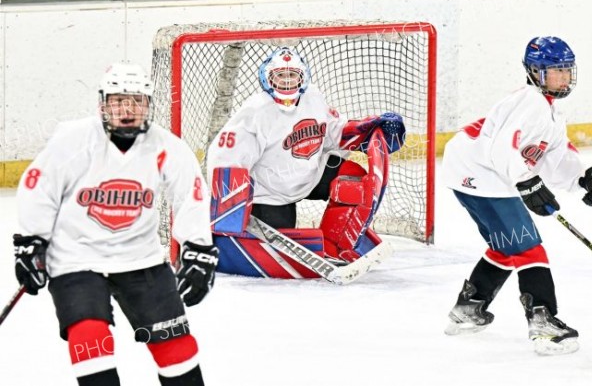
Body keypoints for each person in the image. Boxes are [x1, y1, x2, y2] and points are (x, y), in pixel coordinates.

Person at [13, 63, 218, 386]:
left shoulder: (166, 147)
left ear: (149, 106)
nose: (127, 108)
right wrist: (30, 241)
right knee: (91, 340)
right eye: (118, 100)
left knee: (176, 348)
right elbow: (37, 188)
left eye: (137, 100)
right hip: (75, 258)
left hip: (140, 258)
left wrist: (197, 249)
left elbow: (190, 196)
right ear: (103, 104)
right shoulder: (75, 141)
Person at [441, 37, 592, 355]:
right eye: (556, 71)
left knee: (507, 243)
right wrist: (527, 183)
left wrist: (582, 180)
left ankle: (468, 309)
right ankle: (543, 322)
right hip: (479, 173)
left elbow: (553, 156)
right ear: (535, 73)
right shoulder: (529, 102)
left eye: (567, 70)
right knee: (528, 245)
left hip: (479, 173)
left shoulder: (550, 113)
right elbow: (502, 149)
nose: (564, 77)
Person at [206, 47, 405, 278]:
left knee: (355, 178)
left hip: (311, 174)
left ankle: (335, 246)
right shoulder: (256, 112)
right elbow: (226, 156)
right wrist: (232, 211)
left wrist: (370, 129)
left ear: (303, 77)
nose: (287, 81)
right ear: (267, 79)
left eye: (293, 76)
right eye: (280, 76)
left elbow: (334, 131)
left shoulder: (313, 97)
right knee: (280, 244)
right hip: (271, 192)